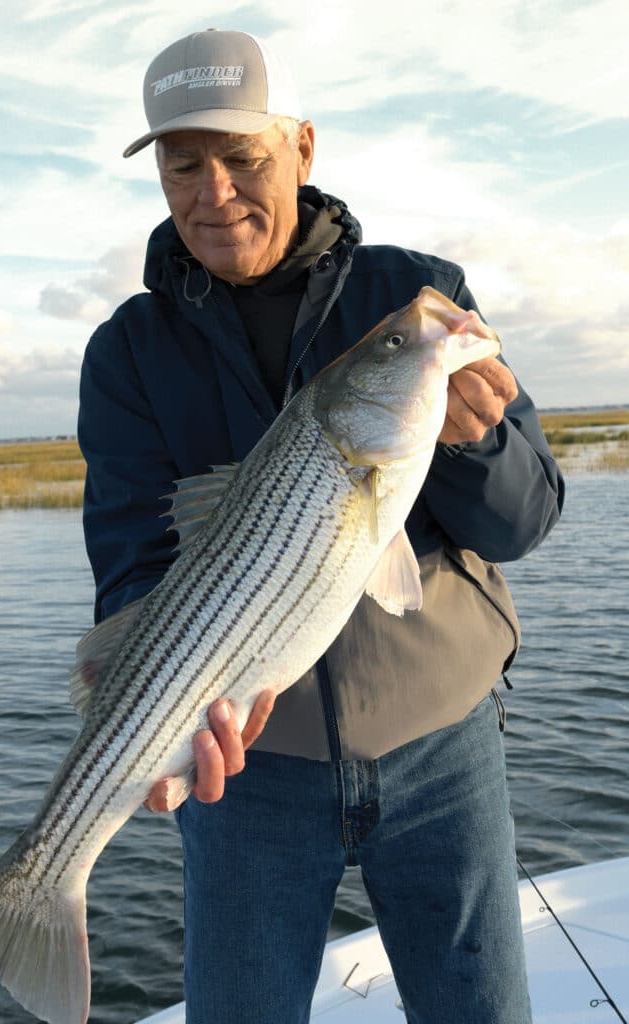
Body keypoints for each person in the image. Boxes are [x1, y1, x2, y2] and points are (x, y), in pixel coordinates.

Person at [77, 28, 563, 1024]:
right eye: (184, 165)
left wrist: (472, 443)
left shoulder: (413, 295)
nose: (214, 192)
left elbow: (524, 519)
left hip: (445, 753)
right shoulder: (127, 351)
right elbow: (133, 563)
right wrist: (155, 719)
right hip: (248, 783)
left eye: (243, 158)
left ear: (302, 148)